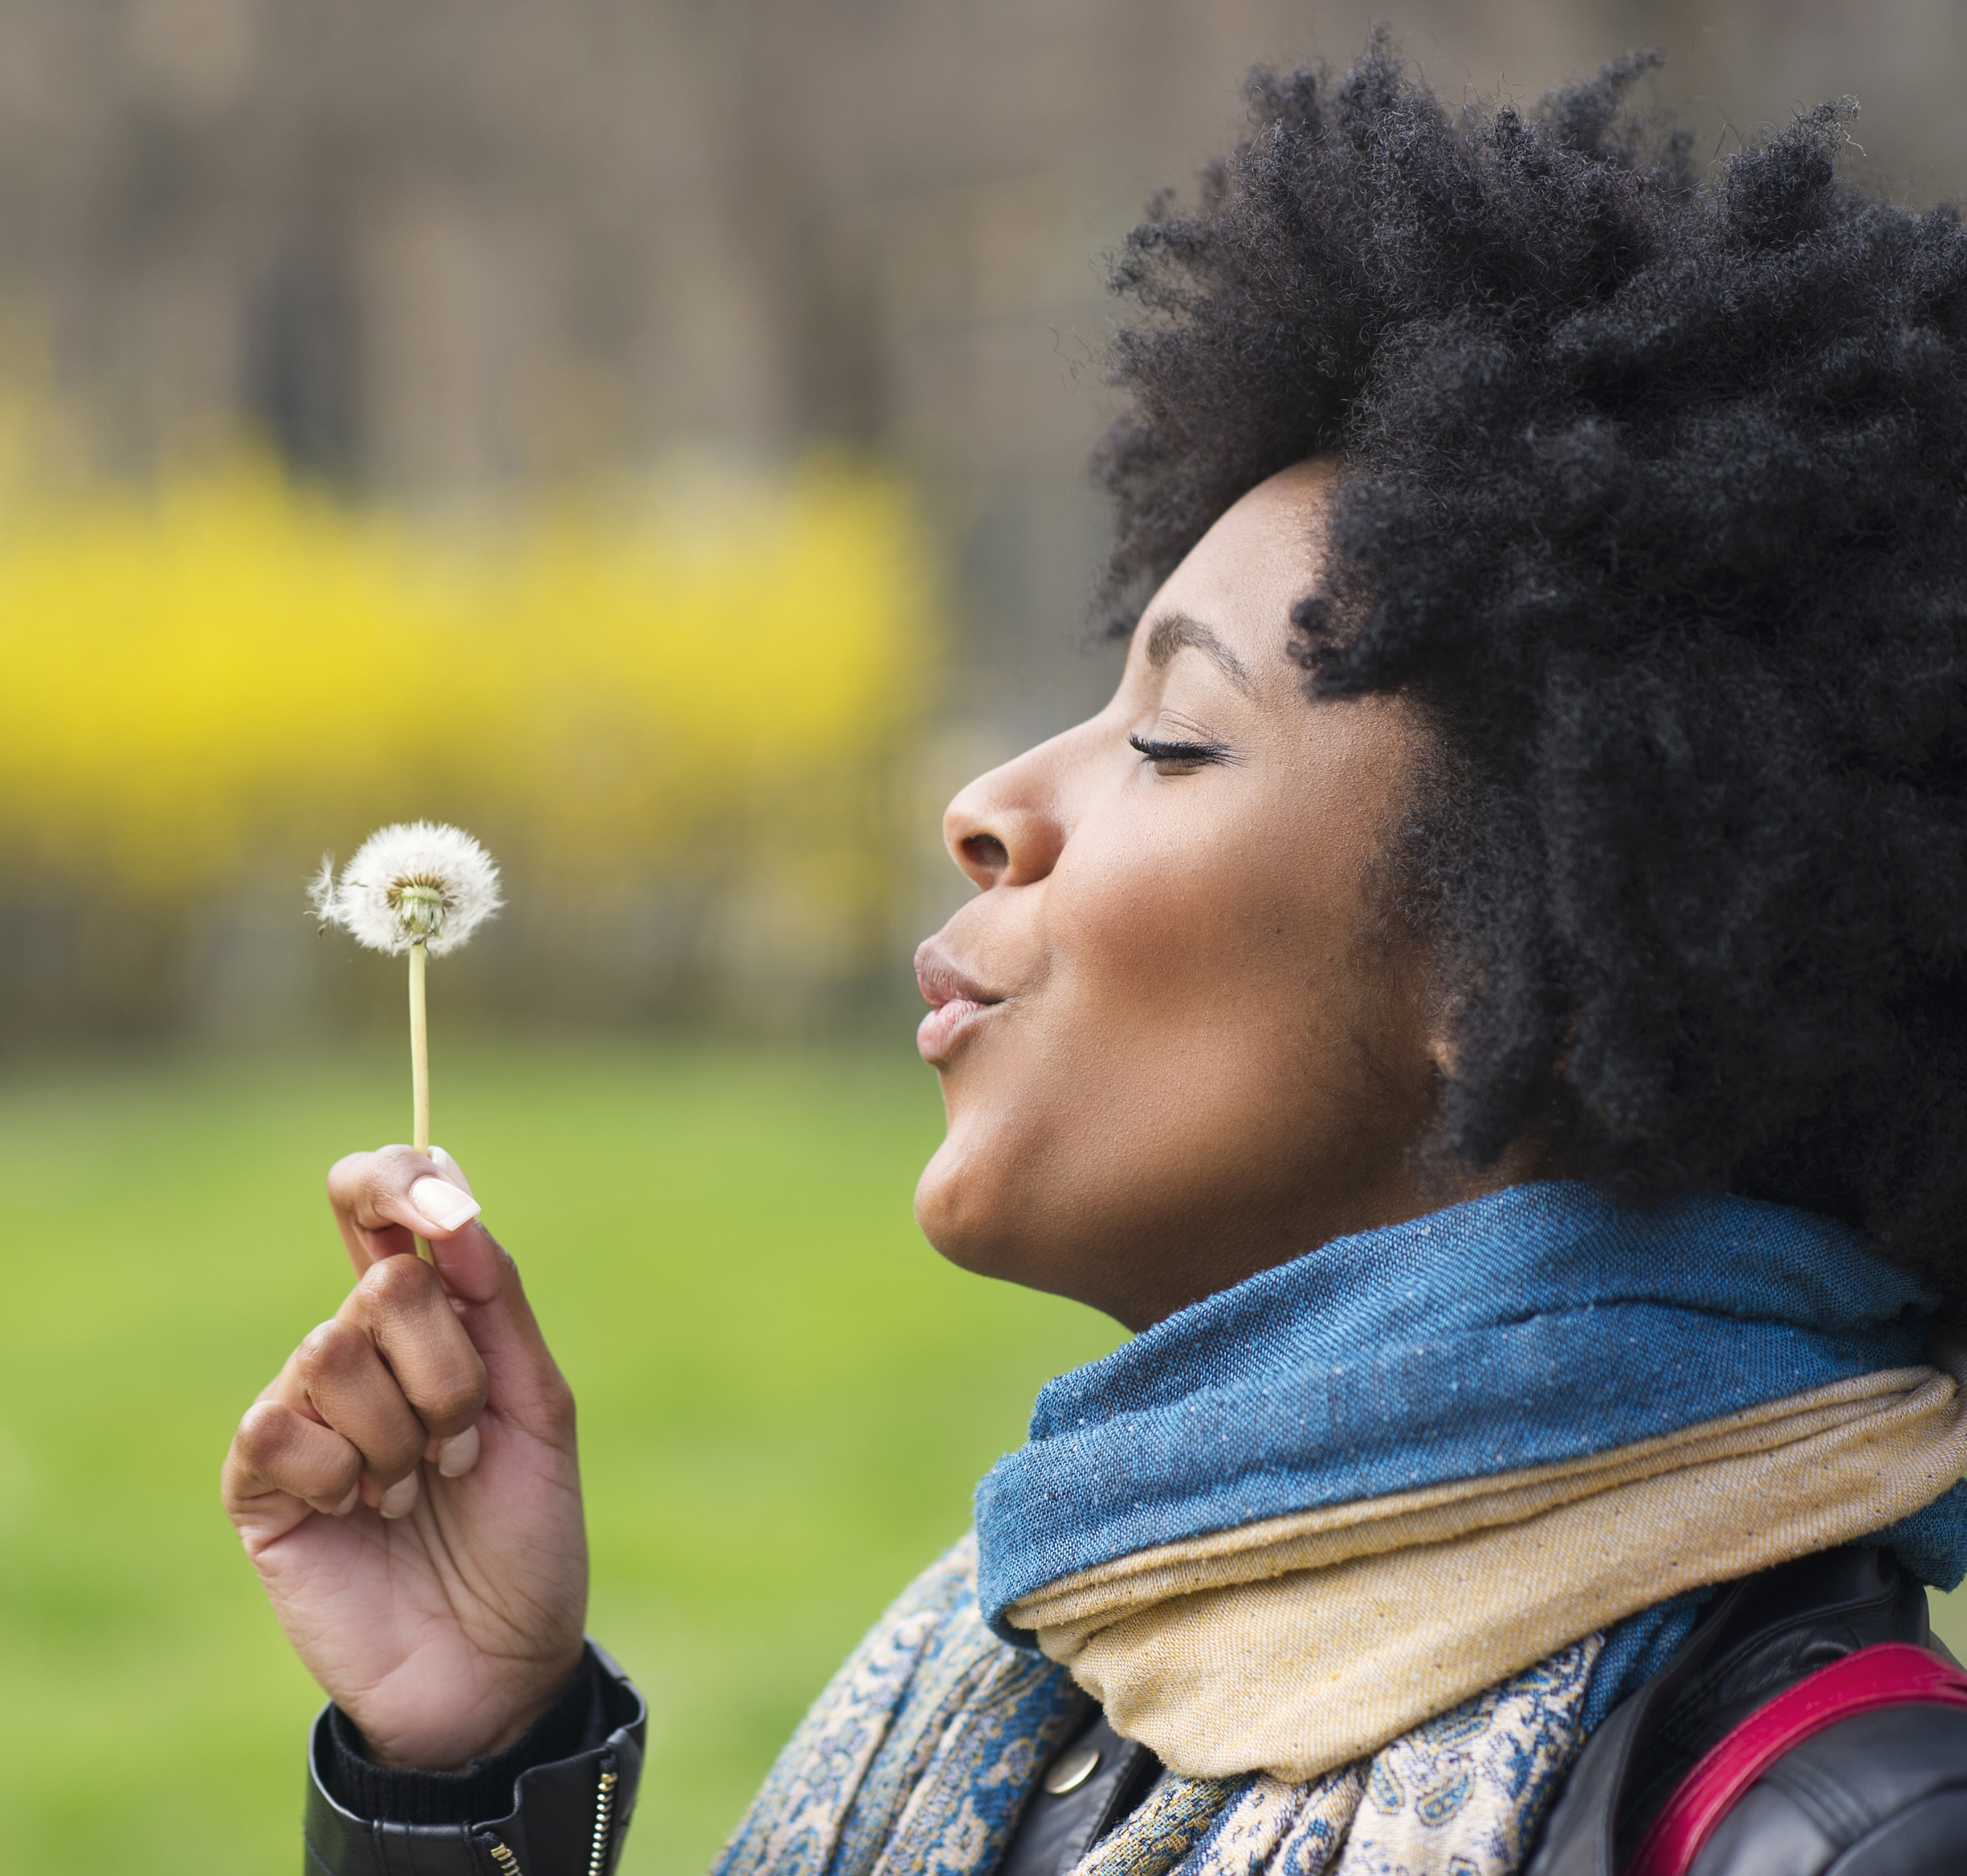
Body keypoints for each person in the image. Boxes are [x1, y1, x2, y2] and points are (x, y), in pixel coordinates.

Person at [221, 38, 1967, 1876]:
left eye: (1171, 738)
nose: (988, 803)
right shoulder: (1067, 1679)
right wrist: (470, 1751)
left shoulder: (1839, 1833)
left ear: (1526, 974)